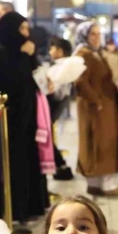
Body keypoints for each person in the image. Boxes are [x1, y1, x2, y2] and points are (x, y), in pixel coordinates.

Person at [0, 12, 48, 223]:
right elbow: (13, 84)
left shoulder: (18, 51)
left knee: (27, 163)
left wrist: (29, 56)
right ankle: (10, 212)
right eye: (22, 29)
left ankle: (28, 208)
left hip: (26, 120)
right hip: (8, 123)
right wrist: (23, 56)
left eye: (27, 29)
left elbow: (33, 77)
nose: (26, 34)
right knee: (10, 166)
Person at [74, 22, 118, 196]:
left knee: (102, 143)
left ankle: (97, 183)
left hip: (103, 107)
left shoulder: (93, 53)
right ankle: (106, 184)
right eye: (93, 34)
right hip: (96, 108)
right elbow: (80, 82)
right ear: (85, 36)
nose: (97, 38)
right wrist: (95, 100)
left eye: (99, 34)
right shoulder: (83, 54)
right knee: (102, 144)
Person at [47, 37, 75, 181]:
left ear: (60, 51)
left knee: (46, 136)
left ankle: (60, 165)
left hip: (52, 105)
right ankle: (60, 165)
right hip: (56, 106)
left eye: (52, 48)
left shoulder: (60, 67)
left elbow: (55, 90)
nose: (50, 51)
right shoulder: (65, 65)